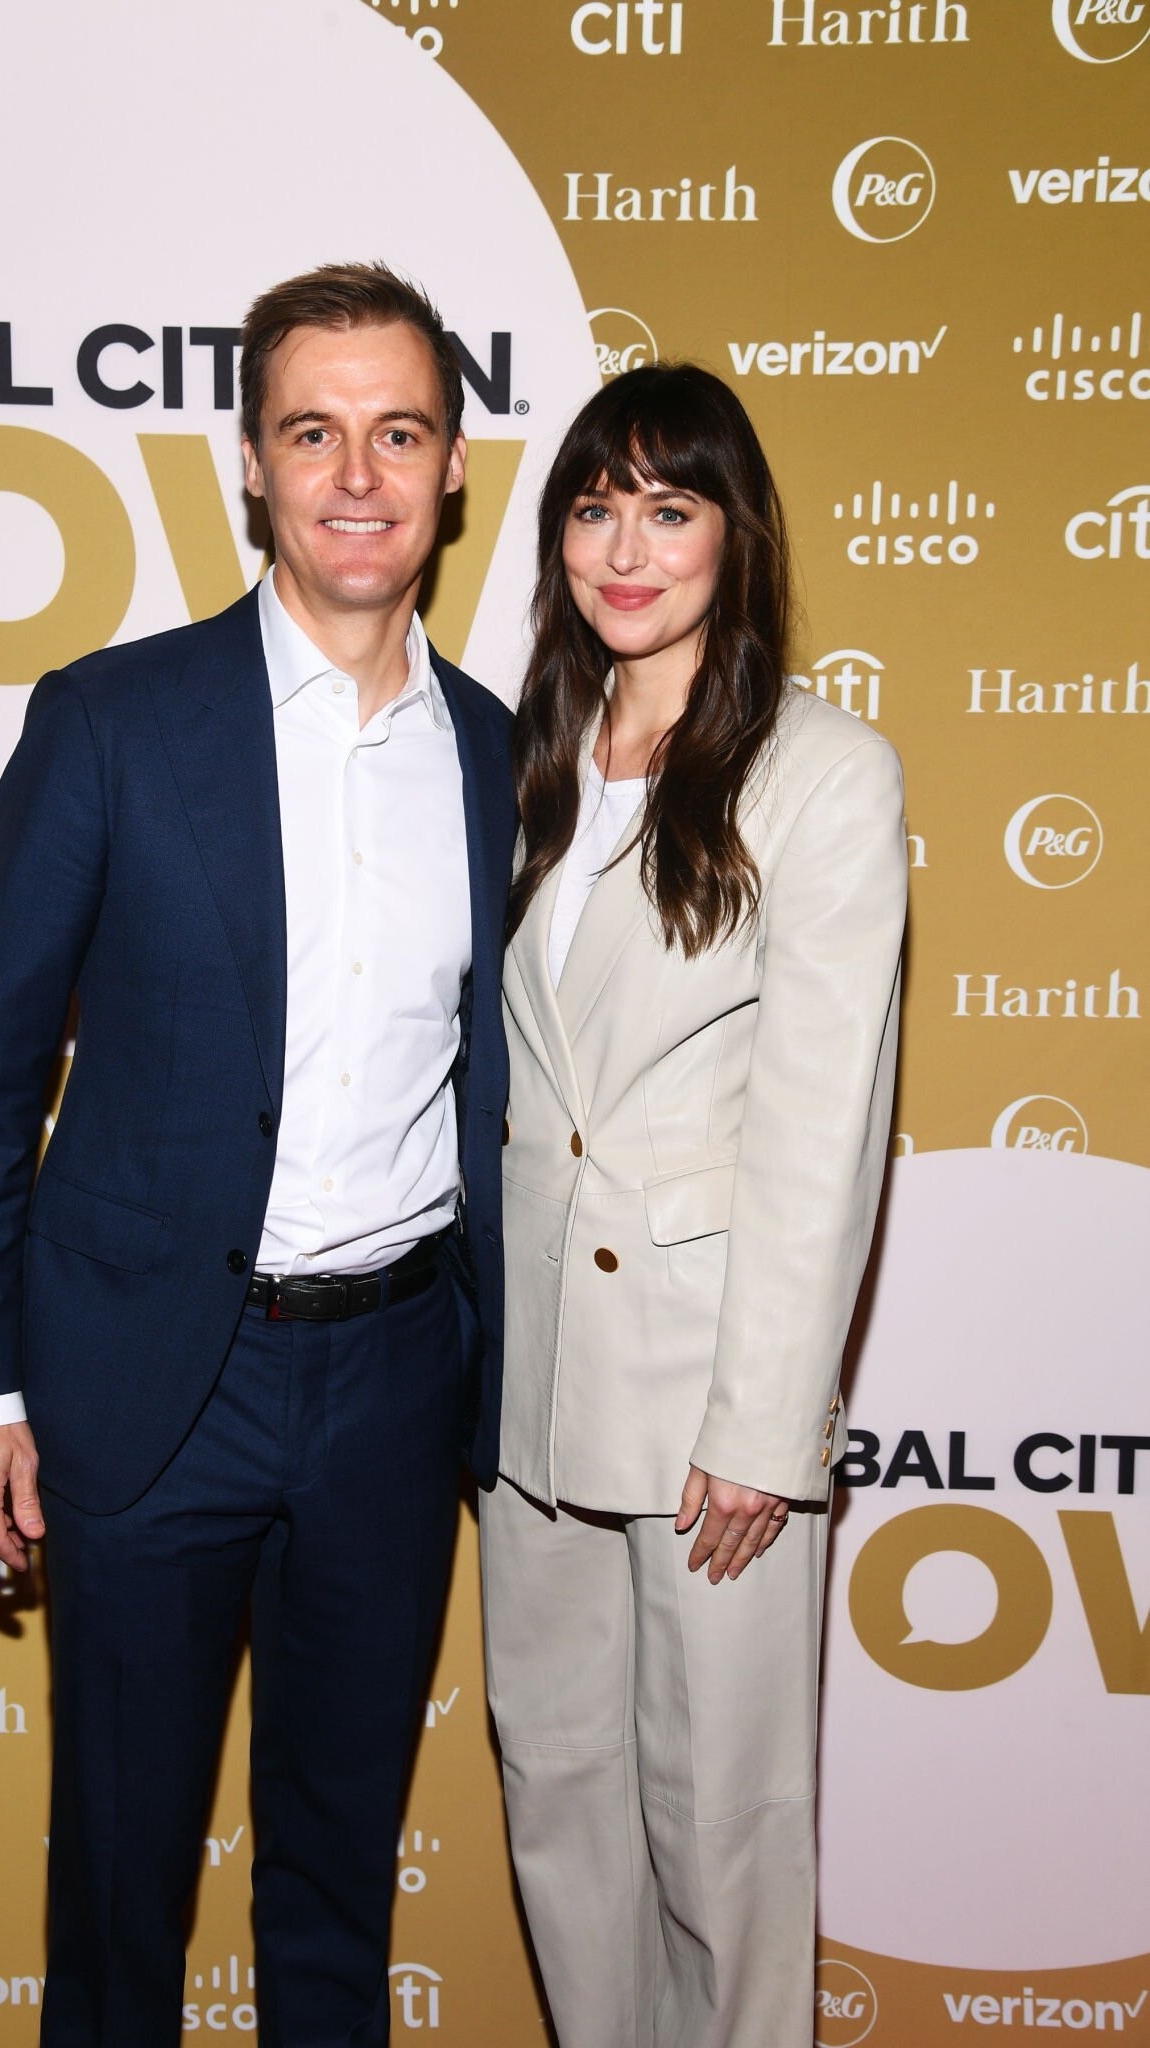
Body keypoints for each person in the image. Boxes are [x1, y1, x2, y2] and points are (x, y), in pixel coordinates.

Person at [0, 262, 514, 2048]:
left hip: (394, 1383)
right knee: (119, 1893)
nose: (357, 475)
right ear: (250, 465)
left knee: (337, 1884)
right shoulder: (111, 719)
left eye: (398, 432)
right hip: (144, 1384)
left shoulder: (502, 756)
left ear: (452, 467)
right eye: (312, 432)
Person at [479, 362, 907, 2048]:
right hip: (524, 1381)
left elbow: (822, 1122)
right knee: (559, 1793)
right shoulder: (519, 757)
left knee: (724, 1819)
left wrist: (763, 1427)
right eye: (594, 509)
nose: (625, 549)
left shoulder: (822, 771)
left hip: (705, 1393)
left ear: (735, 535)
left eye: (668, 510)